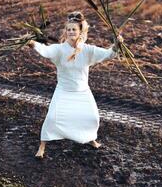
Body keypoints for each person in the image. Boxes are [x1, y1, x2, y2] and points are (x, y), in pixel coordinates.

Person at [28, 11, 123, 158]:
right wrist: (33, 43)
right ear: (65, 32)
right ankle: (42, 146)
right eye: (69, 29)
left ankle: (91, 139)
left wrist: (117, 45)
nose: (71, 31)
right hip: (63, 91)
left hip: (82, 91)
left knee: (92, 118)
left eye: (74, 29)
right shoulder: (59, 49)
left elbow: (107, 54)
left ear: (80, 32)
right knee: (52, 118)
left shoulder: (88, 50)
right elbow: (46, 50)